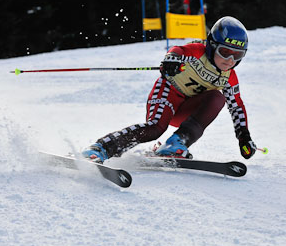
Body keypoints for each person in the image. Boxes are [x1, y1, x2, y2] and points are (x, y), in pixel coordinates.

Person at [82, 16, 257, 162]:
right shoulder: (197, 51)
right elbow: (178, 50)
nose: (230, 60)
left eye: (238, 55)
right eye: (225, 52)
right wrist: (171, 61)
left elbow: (236, 107)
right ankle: (101, 148)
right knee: (155, 129)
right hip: (168, 94)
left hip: (186, 112)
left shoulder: (229, 77)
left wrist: (244, 137)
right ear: (212, 45)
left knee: (217, 98)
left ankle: (176, 144)